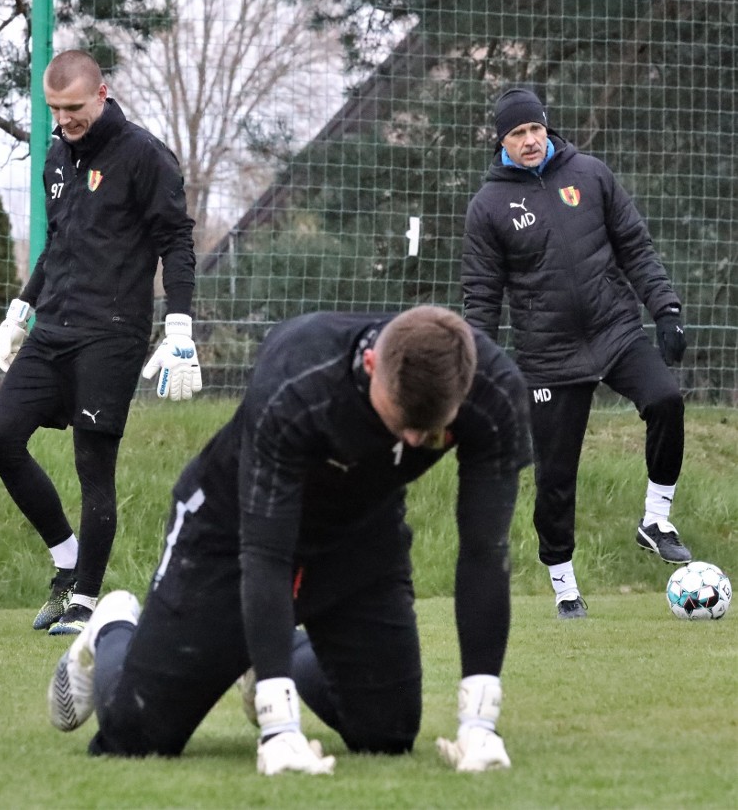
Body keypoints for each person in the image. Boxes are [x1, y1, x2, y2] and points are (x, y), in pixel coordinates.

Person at [45, 305, 532, 775]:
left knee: (387, 734)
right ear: (369, 364)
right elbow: (266, 553)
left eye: (428, 437)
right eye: (398, 421)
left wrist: (479, 723)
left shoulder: (493, 393)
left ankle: (267, 655)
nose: (408, 443)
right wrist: (279, 728)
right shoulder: (299, 376)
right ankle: (112, 628)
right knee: (139, 736)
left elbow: (485, 550)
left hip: (359, 536)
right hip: (229, 531)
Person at [0, 50, 200, 636]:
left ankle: (84, 599)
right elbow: (58, 242)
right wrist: (22, 308)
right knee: (0, 438)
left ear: (102, 93)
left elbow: (176, 242)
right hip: (53, 327)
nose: (65, 120)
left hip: (112, 334)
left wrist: (180, 326)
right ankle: (67, 561)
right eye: (55, 110)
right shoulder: (55, 156)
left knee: (92, 466)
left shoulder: (144, 156)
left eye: (74, 108)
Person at [461, 86, 690, 621]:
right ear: (502, 142)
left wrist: (666, 310)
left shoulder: (590, 173)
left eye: (535, 129)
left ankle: (656, 520)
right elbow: (482, 298)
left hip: (615, 330)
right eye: (517, 134)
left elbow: (635, 246)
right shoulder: (488, 207)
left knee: (666, 401)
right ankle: (565, 585)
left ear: (547, 127)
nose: (530, 140)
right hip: (548, 357)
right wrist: (481, 370)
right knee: (556, 477)